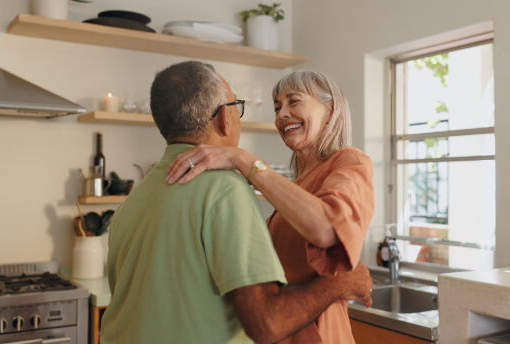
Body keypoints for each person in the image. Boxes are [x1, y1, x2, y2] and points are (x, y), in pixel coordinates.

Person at [99, 61, 373, 344]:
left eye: (294, 101)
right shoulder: (231, 190)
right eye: (277, 106)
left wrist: (242, 159)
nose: (282, 114)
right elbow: (262, 315)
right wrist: (341, 283)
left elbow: (327, 228)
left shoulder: (134, 200)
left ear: (331, 111)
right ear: (223, 119)